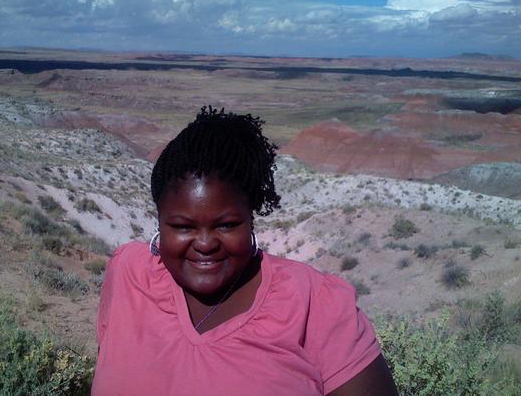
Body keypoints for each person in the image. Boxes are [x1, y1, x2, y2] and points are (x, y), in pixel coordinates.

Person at [91, 107, 398, 396]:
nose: (205, 243)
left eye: (226, 225)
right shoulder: (128, 273)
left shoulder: (314, 303)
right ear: (159, 220)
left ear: (251, 218)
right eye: (183, 227)